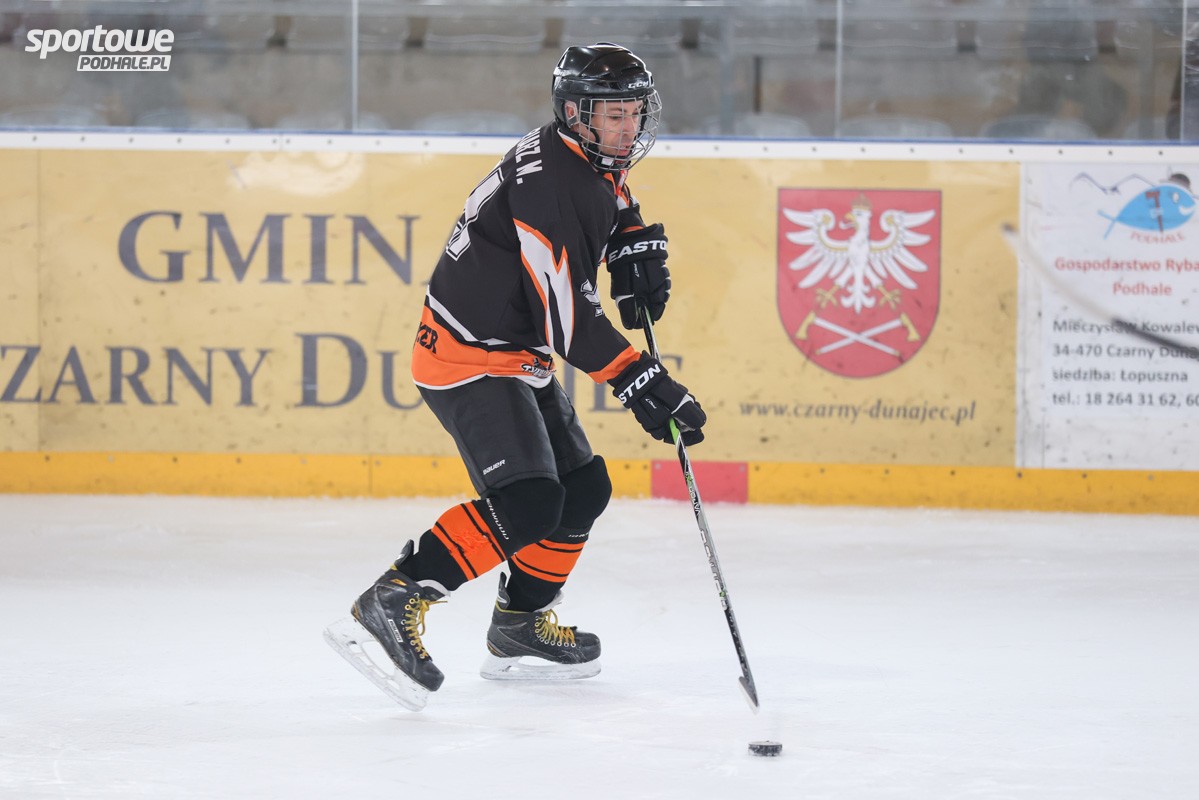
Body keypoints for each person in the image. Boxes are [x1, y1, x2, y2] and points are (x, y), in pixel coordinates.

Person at [325, 42, 707, 710]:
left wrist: (630, 238)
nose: (628, 129)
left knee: (581, 490)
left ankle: (518, 626)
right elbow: (565, 321)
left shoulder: (582, 154)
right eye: (614, 115)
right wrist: (640, 379)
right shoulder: (553, 186)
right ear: (575, 113)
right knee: (530, 502)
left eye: (634, 113)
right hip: (466, 355)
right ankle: (394, 596)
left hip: (512, 352)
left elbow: (611, 193)